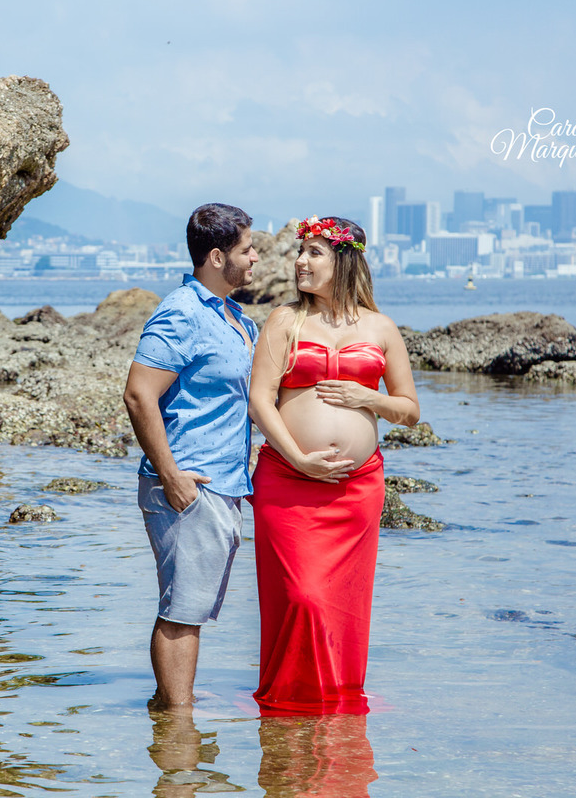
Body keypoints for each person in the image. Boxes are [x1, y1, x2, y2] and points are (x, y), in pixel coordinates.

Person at [248, 215, 420, 715]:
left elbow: (409, 410)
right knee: (302, 597)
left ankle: (335, 706)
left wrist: (369, 397)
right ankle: (289, 704)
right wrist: (298, 457)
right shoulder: (284, 321)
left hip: (355, 491)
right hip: (287, 481)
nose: (300, 261)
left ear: (344, 260)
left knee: (342, 604)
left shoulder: (381, 327)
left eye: (314, 252)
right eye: (299, 252)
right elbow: (260, 400)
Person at [123, 202, 259, 708]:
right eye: (250, 249)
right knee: (182, 610)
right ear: (218, 257)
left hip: (223, 483)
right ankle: (178, 735)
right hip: (189, 485)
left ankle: (174, 720)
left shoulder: (232, 316)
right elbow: (139, 394)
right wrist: (173, 476)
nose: (258, 259)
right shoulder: (181, 312)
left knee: (192, 609)